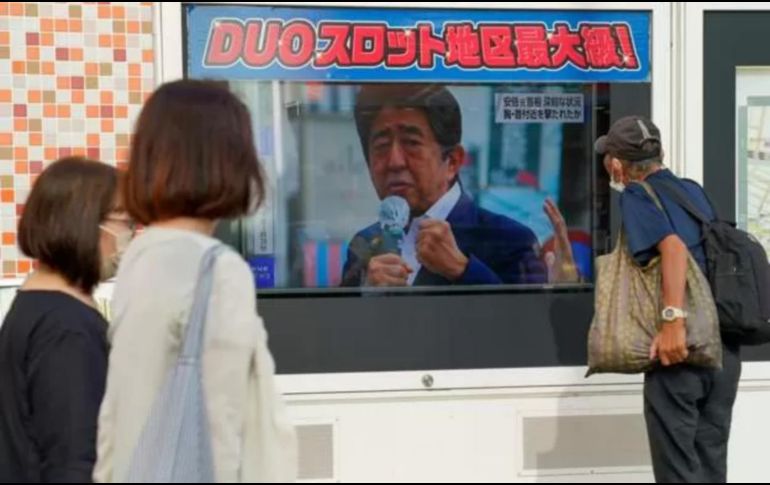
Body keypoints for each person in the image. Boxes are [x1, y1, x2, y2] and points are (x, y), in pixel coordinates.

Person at [94, 80, 297, 482]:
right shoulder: (215, 270)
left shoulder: (139, 258)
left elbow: (116, 418)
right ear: (227, 160)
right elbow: (222, 429)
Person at [597, 116, 741, 483]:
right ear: (661, 152)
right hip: (721, 352)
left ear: (617, 164)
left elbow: (674, 250)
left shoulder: (636, 194)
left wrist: (672, 323)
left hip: (681, 355)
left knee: (677, 472)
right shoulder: (692, 190)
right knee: (711, 467)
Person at [342, 83, 578, 288]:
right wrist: (365, 296)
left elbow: (529, 327)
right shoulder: (363, 245)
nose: (394, 162)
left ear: (453, 161)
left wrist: (463, 270)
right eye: (381, 146)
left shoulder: (510, 239)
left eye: (411, 143)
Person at [0, 157, 133, 482]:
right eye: (125, 222)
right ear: (85, 223)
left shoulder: (34, 308)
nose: (130, 235)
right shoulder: (67, 328)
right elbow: (74, 459)